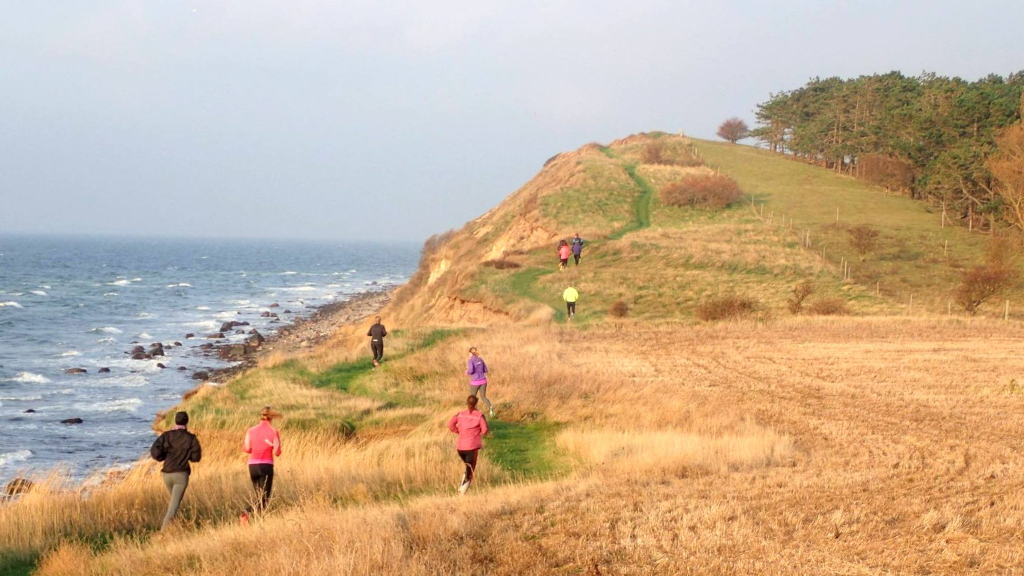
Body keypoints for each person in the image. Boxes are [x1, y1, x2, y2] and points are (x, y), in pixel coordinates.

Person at [150, 411, 202, 530]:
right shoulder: (191, 438)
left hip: (166, 474)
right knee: (174, 505)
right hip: (181, 476)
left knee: (175, 503)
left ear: (175, 421)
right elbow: (196, 458)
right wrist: (186, 455)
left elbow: (155, 451)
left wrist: (163, 457)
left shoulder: (166, 436)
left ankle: (179, 526)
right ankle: (163, 532)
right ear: (186, 421)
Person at [240, 406, 282, 525]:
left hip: (252, 466)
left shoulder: (251, 430)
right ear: (271, 417)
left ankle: (259, 523)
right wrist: (271, 446)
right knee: (264, 499)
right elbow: (277, 452)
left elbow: (247, 448)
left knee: (259, 497)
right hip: (266, 466)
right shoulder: (273, 431)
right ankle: (246, 513)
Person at [447, 395, 489, 495]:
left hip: (460, 448)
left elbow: (450, 425)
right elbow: (485, 430)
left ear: (467, 403)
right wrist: (478, 433)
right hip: (472, 447)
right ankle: (462, 494)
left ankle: (461, 488)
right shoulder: (479, 416)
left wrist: (459, 431)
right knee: (470, 471)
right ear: (476, 403)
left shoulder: (460, 414)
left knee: (467, 467)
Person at [465, 347, 494, 417]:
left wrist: (467, 372)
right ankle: (490, 407)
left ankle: (472, 413)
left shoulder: (470, 361)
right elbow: (485, 370)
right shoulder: (480, 359)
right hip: (483, 381)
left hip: (475, 382)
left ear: (470, 353)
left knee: (472, 398)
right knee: (483, 397)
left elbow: (471, 370)